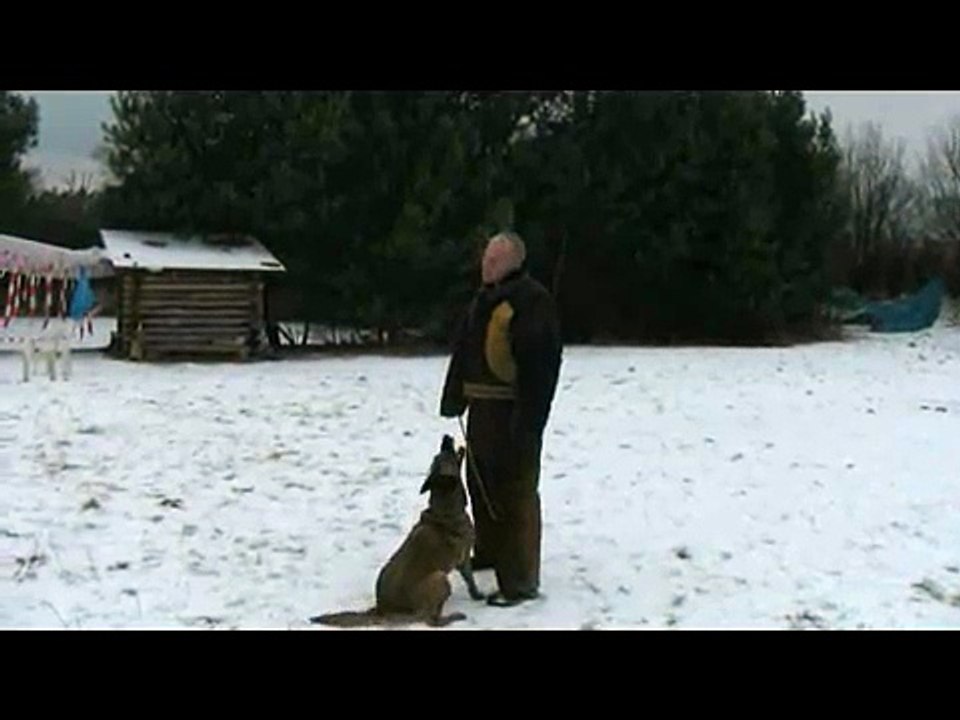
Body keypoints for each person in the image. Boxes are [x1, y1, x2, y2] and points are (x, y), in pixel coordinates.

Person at [439, 231, 562, 606]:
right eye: (485, 259)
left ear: (513, 263)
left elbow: (540, 368)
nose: (485, 265)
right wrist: (454, 397)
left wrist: (529, 422)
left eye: (493, 260)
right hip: (482, 409)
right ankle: (491, 552)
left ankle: (520, 579)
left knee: (517, 492)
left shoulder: (531, 302)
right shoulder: (484, 301)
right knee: (482, 484)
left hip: (513, 411)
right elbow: (464, 352)